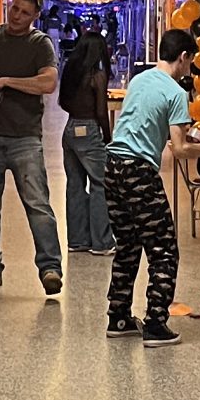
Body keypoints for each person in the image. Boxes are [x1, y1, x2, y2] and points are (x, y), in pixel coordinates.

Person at [0, 0, 63, 295]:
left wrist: (7, 81)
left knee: (37, 204)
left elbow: (48, 82)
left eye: (24, 12)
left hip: (25, 139)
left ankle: (50, 268)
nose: (16, 16)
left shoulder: (40, 44)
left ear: (35, 16)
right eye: (14, 8)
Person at [103, 29, 199, 344]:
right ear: (183, 57)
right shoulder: (176, 93)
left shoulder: (140, 79)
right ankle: (156, 323)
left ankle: (118, 318)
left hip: (113, 165)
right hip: (138, 172)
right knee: (164, 250)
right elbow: (181, 148)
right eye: (191, 61)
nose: (191, 68)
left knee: (128, 244)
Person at [59, 28, 116, 255]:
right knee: (100, 184)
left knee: (74, 185)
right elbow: (102, 112)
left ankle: (77, 240)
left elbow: (63, 103)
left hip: (70, 129)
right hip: (90, 129)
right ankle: (101, 242)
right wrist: (107, 137)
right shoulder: (97, 76)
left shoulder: (71, 73)